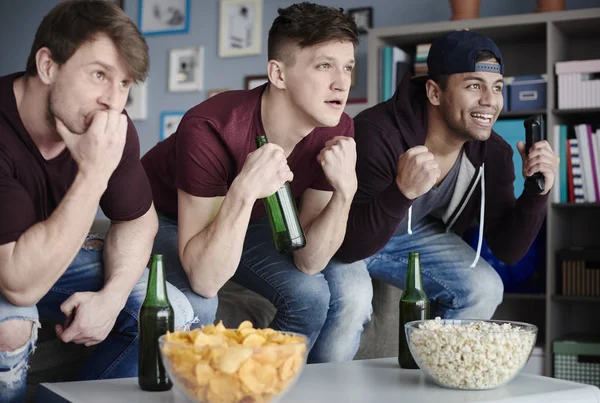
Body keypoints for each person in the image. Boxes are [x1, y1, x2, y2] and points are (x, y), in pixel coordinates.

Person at [141, 2, 373, 363]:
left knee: (311, 296)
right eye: (324, 65)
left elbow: (310, 260)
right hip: (163, 216)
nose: (341, 82)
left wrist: (346, 193)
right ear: (278, 75)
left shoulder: (338, 129)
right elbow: (204, 279)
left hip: (250, 218)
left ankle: (268, 384)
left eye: (347, 67)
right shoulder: (210, 127)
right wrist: (245, 190)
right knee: (200, 301)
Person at [0, 1, 194, 401]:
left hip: (46, 255)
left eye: (123, 84)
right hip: (11, 261)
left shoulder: (110, 127)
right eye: (99, 75)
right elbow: (19, 285)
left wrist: (113, 296)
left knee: (169, 314)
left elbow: (138, 221)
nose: (113, 100)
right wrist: (92, 172)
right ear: (48, 66)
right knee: (11, 323)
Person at [337, 30, 559, 320]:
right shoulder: (377, 135)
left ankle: (439, 365)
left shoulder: (494, 153)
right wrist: (402, 192)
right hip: (347, 230)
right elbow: (349, 246)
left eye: (497, 87)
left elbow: (508, 250)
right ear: (434, 92)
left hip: (411, 233)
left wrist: (536, 193)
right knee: (351, 299)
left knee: (485, 288)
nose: (490, 101)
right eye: (474, 86)